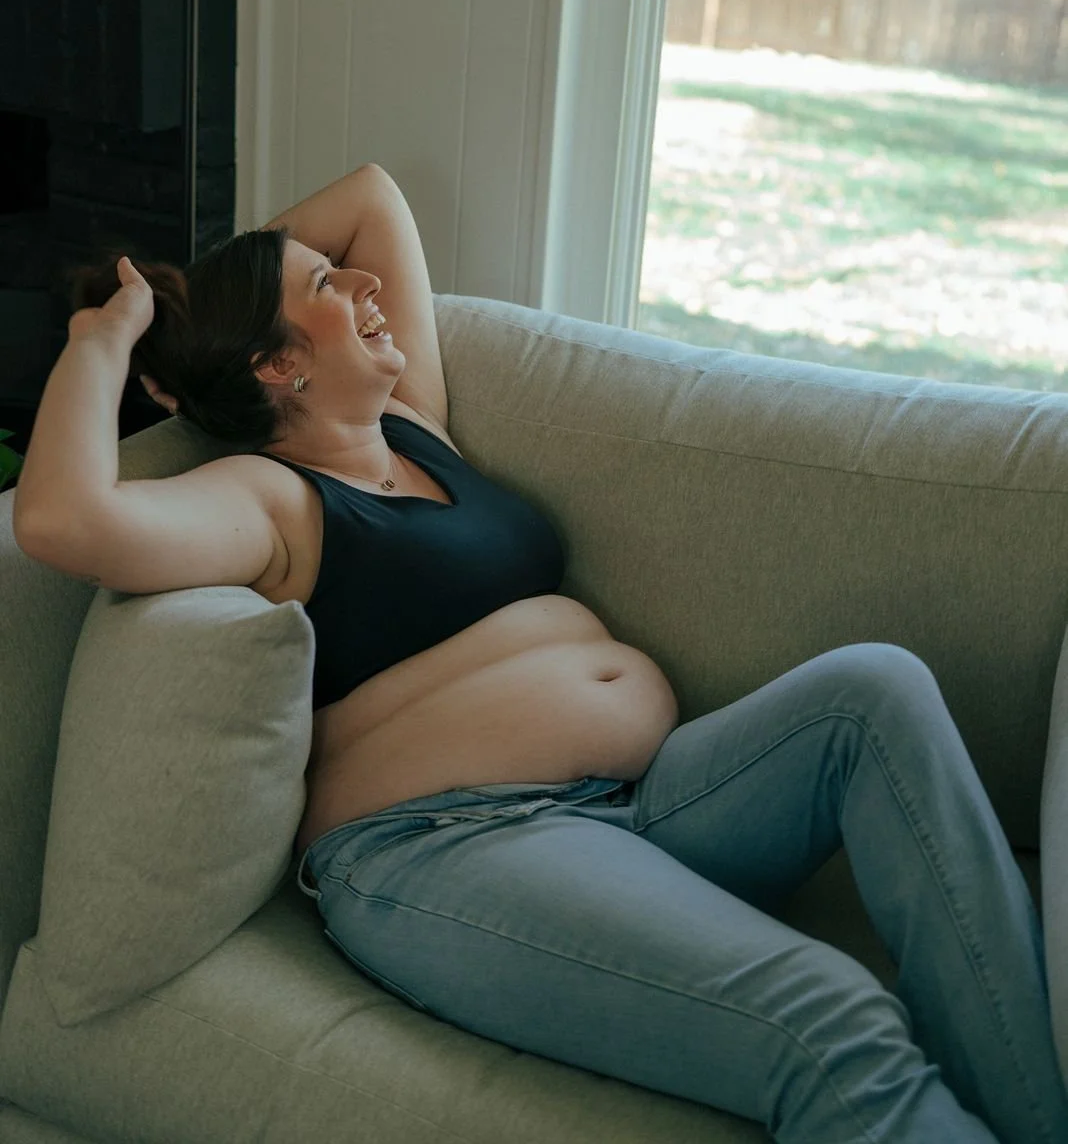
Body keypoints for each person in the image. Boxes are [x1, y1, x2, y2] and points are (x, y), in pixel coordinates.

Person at [12, 163, 1068, 1144]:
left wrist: (208, 313)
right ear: (280, 364)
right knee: (831, 1017)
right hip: (447, 845)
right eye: (331, 285)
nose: (368, 283)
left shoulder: (411, 428)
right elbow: (62, 520)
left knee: (874, 688)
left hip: (637, 803)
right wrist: (111, 338)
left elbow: (372, 195)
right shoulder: (269, 498)